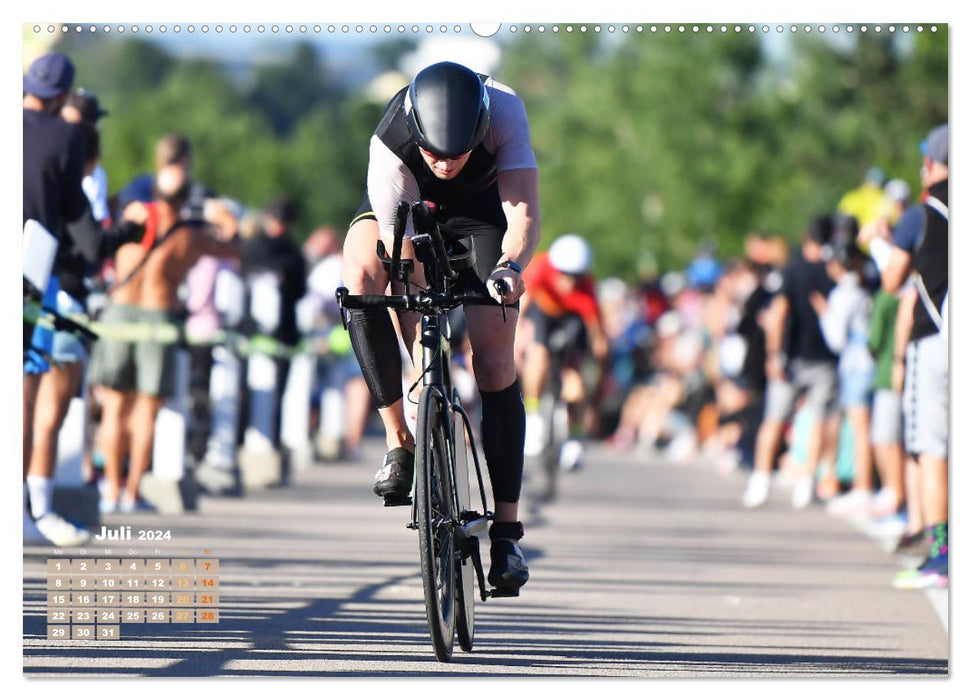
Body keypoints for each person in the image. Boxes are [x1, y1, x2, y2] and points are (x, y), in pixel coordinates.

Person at [341, 61, 540, 594]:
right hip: (406, 213)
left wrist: (508, 269)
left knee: (495, 358)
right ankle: (399, 440)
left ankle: (506, 533)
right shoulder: (392, 142)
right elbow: (398, 253)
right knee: (361, 276)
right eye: (433, 153)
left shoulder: (505, 112)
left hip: (482, 216)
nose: (444, 163)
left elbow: (521, 212)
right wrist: (422, 355)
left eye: (456, 154)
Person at [23, 52, 140, 545]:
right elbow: (89, 242)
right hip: (36, 281)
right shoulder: (67, 141)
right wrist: (125, 234)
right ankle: (32, 512)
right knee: (31, 407)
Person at [86, 164, 241, 512]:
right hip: (157, 321)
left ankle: (110, 490)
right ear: (187, 198)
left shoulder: (135, 216)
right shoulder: (191, 235)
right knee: (145, 411)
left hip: (119, 315)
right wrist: (226, 219)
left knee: (114, 409)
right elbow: (233, 248)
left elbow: (97, 240)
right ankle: (131, 493)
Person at [861, 124, 948, 589]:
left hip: (936, 341)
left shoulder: (923, 212)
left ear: (932, 165)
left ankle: (943, 554)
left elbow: (895, 280)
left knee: (933, 450)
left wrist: (877, 244)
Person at [742, 215, 839, 509]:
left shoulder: (792, 271)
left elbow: (779, 314)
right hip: (825, 358)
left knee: (774, 420)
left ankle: (760, 478)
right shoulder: (832, 270)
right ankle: (806, 479)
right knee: (820, 421)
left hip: (793, 357)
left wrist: (773, 354)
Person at [519, 234, 608, 470]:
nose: (568, 282)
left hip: (571, 319)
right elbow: (524, 303)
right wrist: (518, 340)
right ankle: (534, 416)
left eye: (575, 277)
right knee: (537, 359)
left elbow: (596, 328)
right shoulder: (542, 265)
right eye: (564, 274)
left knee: (575, 383)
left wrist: (600, 351)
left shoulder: (587, 287)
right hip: (544, 314)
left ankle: (574, 439)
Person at [809, 221, 877, 516]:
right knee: (866, 430)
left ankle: (863, 488)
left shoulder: (842, 294)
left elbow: (836, 341)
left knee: (862, 431)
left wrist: (824, 314)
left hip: (855, 366)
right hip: (868, 364)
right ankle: (865, 486)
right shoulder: (863, 289)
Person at [238, 196, 307, 459]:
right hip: (252, 332)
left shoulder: (292, 253)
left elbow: (298, 291)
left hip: (283, 334)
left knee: (278, 394)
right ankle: (249, 446)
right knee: (251, 392)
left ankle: (272, 449)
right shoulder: (252, 247)